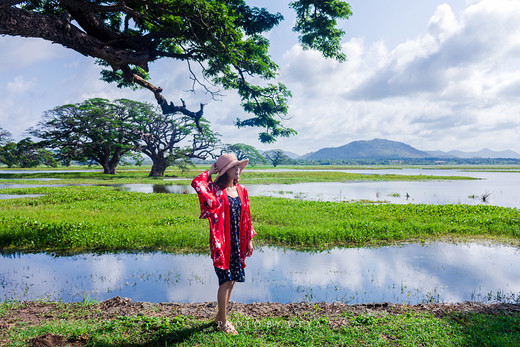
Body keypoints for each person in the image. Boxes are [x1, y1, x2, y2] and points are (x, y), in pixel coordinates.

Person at [191, 153, 255, 335]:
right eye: (234, 167)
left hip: (238, 241)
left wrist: (249, 239)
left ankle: (220, 316)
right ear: (226, 171)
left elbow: (247, 216)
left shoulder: (242, 190)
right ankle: (223, 322)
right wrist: (211, 171)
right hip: (222, 243)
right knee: (225, 280)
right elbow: (197, 183)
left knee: (232, 279)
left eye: (238, 167)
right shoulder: (215, 191)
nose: (238, 170)